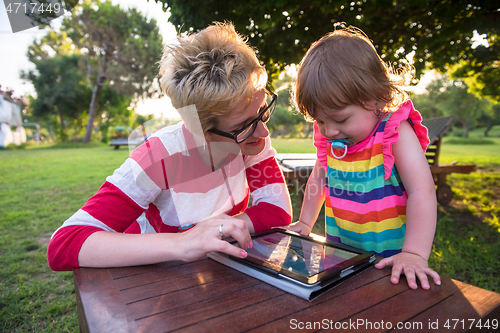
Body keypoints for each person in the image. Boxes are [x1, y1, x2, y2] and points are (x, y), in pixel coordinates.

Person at [47, 22, 292, 271]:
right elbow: (64, 245)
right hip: (151, 279)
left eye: (262, 111)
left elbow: (277, 211)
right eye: (243, 125)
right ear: (201, 130)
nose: (264, 132)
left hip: (209, 273)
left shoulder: (251, 140)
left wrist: (216, 230)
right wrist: (183, 242)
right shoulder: (157, 157)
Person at [285, 27, 441, 290]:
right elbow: (318, 179)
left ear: (376, 98)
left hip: (393, 262)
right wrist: (304, 222)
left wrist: (414, 253)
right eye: (319, 120)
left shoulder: (395, 133)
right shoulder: (330, 141)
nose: (329, 130)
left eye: (341, 119)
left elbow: (421, 192)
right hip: (341, 254)